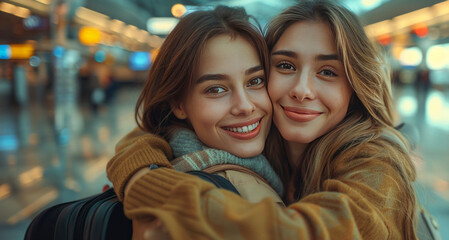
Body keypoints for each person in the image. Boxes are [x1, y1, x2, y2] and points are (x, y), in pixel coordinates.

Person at [108, 1, 418, 239]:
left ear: (355, 85)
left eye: (328, 72)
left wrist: (158, 192)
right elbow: (153, 134)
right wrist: (140, 170)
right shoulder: (263, 143)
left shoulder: (377, 163)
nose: (301, 90)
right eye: (285, 65)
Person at [109, 6, 286, 239]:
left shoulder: (163, 158)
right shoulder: (234, 203)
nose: (245, 106)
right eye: (216, 89)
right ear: (179, 105)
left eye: (255, 81)